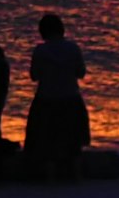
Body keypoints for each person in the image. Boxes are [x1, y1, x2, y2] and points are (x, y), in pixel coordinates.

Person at [25, 13, 91, 182]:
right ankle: (76, 174)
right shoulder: (73, 48)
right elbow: (81, 73)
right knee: (73, 138)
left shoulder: (40, 50)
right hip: (70, 97)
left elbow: (34, 75)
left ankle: (50, 175)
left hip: (46, 98)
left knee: (46, 138)